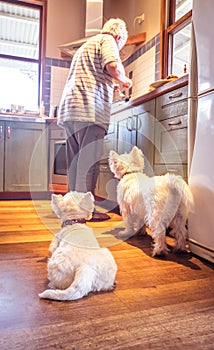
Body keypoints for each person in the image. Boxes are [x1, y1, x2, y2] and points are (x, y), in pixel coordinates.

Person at [57, 18, 132, 221]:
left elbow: (94, 73)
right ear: (118, 37)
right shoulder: (108, 40)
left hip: (70, 109)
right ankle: (85, 212)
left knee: (75, 162)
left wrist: (111, 84)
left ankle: (72, 209)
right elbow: (112, 65)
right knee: (88, 162)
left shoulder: (86, 46)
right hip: (89, 109)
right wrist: (124, 80)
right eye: (121, 45)